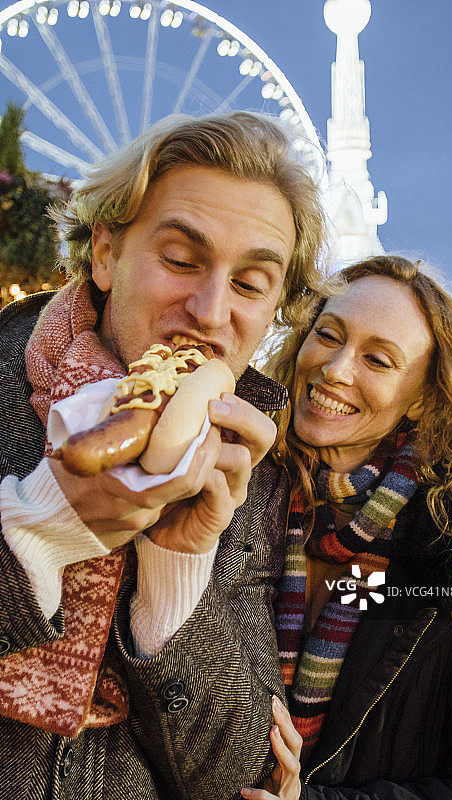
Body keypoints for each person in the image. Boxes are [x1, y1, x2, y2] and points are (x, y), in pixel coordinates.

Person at [0, 111, 327, 799]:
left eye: (248, 284)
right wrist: (37, 529)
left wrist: (178, 568)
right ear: (104, 254)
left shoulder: (251, 474)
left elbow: (244, 774)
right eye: (181, 260)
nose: (210, 311)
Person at [243, 255, 452, 800]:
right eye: (328, 335)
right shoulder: (240, 483)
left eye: (377, 360)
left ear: (422, 400)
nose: (336, 368)